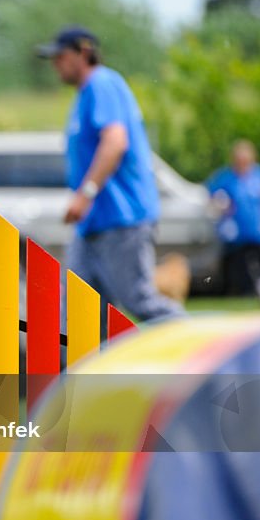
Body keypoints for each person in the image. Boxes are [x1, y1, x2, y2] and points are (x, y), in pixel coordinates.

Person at [37, 25, 184, 325]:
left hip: (123, 217)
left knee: (139, 300)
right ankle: (84, 372)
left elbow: (115, 142)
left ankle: (207, 352)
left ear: (84, 52)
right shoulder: (84, 96)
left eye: (61, 56)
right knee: (79, 312)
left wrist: (85, 194)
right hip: (94, 224)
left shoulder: (102, 84)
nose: (56, 64)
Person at [207, 139, 260, 307]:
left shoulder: (258, 175)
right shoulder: (226, 177)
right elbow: (212, 193)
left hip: (257, 230)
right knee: (240, 268)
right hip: (236, 233)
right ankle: (246, 297)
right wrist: (219, 203)